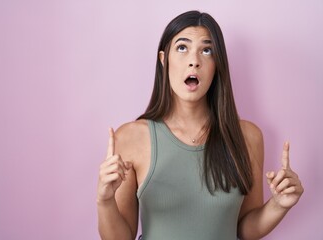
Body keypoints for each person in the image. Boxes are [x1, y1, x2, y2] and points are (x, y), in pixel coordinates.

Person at [97, 10, 304, 240]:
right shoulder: (131, 138)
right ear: (164, 60)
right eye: (182, 48)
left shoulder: (247, 136)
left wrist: (279, 205)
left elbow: (244, 230)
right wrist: (104, 200)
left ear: (217, 65)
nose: (194, 60)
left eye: (207, 50)